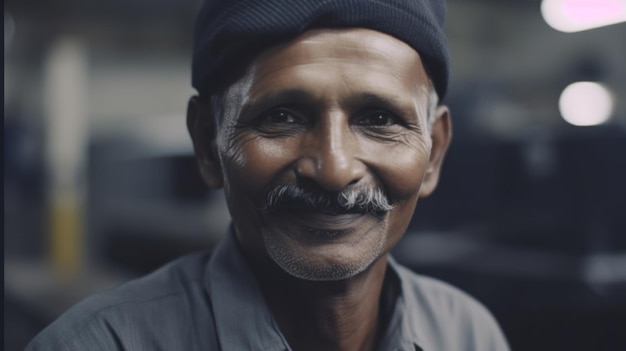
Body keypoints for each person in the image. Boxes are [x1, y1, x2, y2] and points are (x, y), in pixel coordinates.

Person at [27, 0, 510, 350]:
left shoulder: (467, 334)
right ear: (209, 144)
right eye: (282, 117)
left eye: (379, 119)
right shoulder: (94, 344)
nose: (335, 169)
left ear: (434, 152)